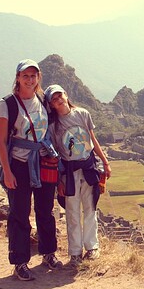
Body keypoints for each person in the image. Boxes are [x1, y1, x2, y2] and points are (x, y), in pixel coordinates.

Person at [0, 59, 62, 281]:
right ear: (17, 77)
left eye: (33, 76)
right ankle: (20, 262)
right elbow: (2, 142)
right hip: (19, 164)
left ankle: (48, 253)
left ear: (38, 77)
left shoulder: (42, 101)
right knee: (20, 213)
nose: (30, 79)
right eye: (25, 75)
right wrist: (7, 171)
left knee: (45, 210)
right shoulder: (7, 104)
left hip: (42, 161)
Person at [45, 84, 111, 266]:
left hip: (88, 168)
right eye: (54, 98)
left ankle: (92, 248)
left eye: (60, 95)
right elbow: (55, 153)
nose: (58, 99)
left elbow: (92, 139)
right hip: (69, 172)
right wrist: (59, 180)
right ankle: (75, 252)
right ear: (51, 104)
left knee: (90, 209)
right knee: (72, 213)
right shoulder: (53, 126)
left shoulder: (83, 114)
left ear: (66, 95)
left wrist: (105, 162)